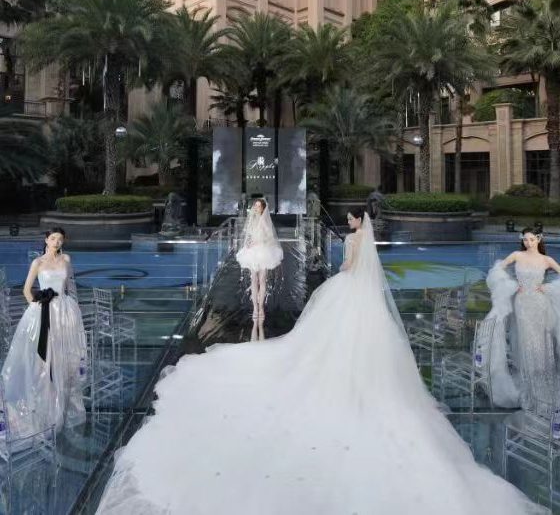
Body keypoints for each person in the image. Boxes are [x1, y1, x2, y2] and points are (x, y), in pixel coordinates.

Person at [97, 210, 547, 514]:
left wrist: (344, 273)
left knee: (325, 335)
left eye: (351, 220)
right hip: (366, 300)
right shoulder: (363, 240)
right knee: (368, 347)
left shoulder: (352, 240)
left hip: (350, 291)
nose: (349, 224)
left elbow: (349, 268)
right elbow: (362, 269)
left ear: (355, 223)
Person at [1, 227, 87, 438]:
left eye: (60, 239)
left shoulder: (66, 259)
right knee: (44, 359)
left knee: (66, 358)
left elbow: (70, 286)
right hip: (44, 312)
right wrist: (36, 307)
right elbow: (26, 290)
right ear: (46, 240)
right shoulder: (37, 263)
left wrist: (74, 309)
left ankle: (64, 406)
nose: (57, 242)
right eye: (53, 238)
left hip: (65, 312)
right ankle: (45, 406)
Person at [485, 227, 560, 409]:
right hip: (522, 304)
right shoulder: (517, 255)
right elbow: (496, 270)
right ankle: (529, 383)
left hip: (540, 304)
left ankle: (542, 382)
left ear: (539, 239)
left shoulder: (547, 260)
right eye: (525, 239)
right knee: (525, 341)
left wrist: (548, 288)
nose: (528, 243)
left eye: (532, 239)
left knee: (541, 342)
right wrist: (510, 285)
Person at [235, 198, 283, 325]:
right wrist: (249, 243)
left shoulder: (265, 221)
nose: (256, 208)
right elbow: (248, 236)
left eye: (258, 206)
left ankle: (261, 307)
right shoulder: (252, 220)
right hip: (253, 251)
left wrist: (259, 241)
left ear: (262, 208)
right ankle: (255, 307)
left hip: (263, 251)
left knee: (262, 280)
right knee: (254, 279)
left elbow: (270, 238)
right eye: (255, 206)